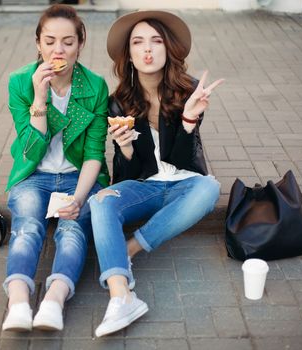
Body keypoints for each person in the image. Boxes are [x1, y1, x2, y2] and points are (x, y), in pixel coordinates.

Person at [89, 10, 224, 337]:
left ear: (168, 50)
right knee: (101, 201)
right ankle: (121, 296)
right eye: (138, 42)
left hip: (184, 183)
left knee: (209, 188)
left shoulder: (189, 91)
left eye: (156, 41)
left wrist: (188, 121)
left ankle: (130, 249)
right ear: (130, 56)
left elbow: (184, 162)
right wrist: (125, 150)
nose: (147, 49)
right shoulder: (118, 102)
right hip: (145, 187)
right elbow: (129, 176)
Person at [1, 4, 110, 332]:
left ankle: (54, 300)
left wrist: (78, 197)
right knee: (28, 226)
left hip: (79, 176)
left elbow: (94, 154)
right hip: (34, 176)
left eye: (67, 42)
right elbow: (30, 150)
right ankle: (18, 302)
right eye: (49, 41)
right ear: (38, 43)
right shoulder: (21, 81)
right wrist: (39, 96)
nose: (57, 50)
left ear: (80, 44)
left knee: (72, 229)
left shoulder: (95, 86)